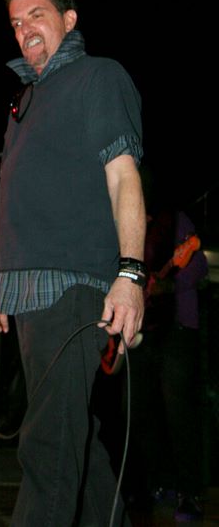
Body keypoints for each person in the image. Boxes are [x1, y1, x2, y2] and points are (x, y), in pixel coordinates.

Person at [0, 0, 147, 527]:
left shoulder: (99, 76)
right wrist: (0, 276)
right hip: (28, 289)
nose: (24, 29)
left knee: (49, 443)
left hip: (72, 285)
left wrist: (131, 274)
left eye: (37, 15)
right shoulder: (25, 101)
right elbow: (26, 199)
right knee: (73, 438)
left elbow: (123, 177)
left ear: (68, 20)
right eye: (16, 22)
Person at [123, 202, 208, 521]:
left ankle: (190, 492)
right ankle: (157, 482)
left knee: (179, 411)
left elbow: (197, 266)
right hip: (139, 330)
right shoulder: (123, 215)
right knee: (138, 409)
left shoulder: (174, 219)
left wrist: (170, 285)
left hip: (176, 328)